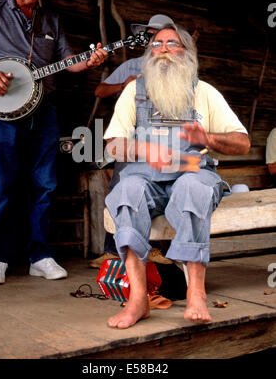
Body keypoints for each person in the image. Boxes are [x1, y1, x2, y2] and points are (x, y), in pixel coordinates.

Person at [103, 23, 250, 328]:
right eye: (157, 44)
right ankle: (138, 299)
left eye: (173, 43)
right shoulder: (134, 91)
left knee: (192, 187)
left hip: (193, 172)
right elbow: (113, 145)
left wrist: (207, 138)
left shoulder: (204, 92)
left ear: (187, 53)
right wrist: (147, 150)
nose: (164, 49)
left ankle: (196, 292)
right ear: (149, 53)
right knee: (126, 190)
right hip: (145, 178)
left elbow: (243, 142)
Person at [0, 0, 107, 285]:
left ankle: (40, 256)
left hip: (45, 111)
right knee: (2, 187)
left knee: (45, 184)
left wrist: (89, 61)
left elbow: (68, 61)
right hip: (2, 115)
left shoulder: (52, 20)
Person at [90, 15, 176, 268]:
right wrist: (124, 85)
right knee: (120, 188)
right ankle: (112, 250)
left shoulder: (175, 67)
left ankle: (157, 250)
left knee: (161, 190)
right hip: (129, 138)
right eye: (150, 35)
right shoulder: (132, 65)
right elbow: (99, 90)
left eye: (159, 35)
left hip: (163, 138)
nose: (153, 40)